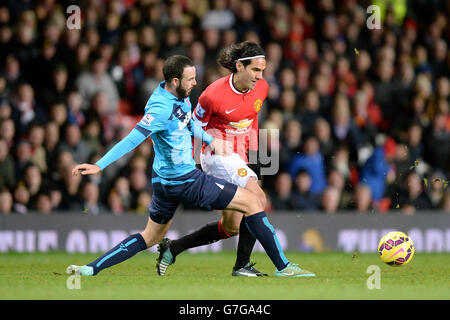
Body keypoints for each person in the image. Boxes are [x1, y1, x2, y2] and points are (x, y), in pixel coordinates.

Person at [66, 55, 315, 278]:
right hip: (185, 180)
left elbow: (188, 124)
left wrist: (210, 140)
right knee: (253, 202)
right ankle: (282, 267)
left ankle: (91, 268)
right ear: (175, 81)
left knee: (150, 237)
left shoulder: (179, 96)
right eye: (190, 79)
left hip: (162, 183)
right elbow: (133, 138)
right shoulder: (159, 108)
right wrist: (99, 165)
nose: (195, 83)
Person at [156, 41, 269, 277]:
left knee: (232, 226)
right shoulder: (212, 95)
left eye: (263, 70)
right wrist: (195, 163)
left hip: (240, 156)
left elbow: (252, 119)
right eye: (256, 70)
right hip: (218, 156)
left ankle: (173, 247)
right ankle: (242, 266)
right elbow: (194, 127)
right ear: (240, 66)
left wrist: (254, 155)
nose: (260, 76)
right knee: (257, 199)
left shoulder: (262, 89)